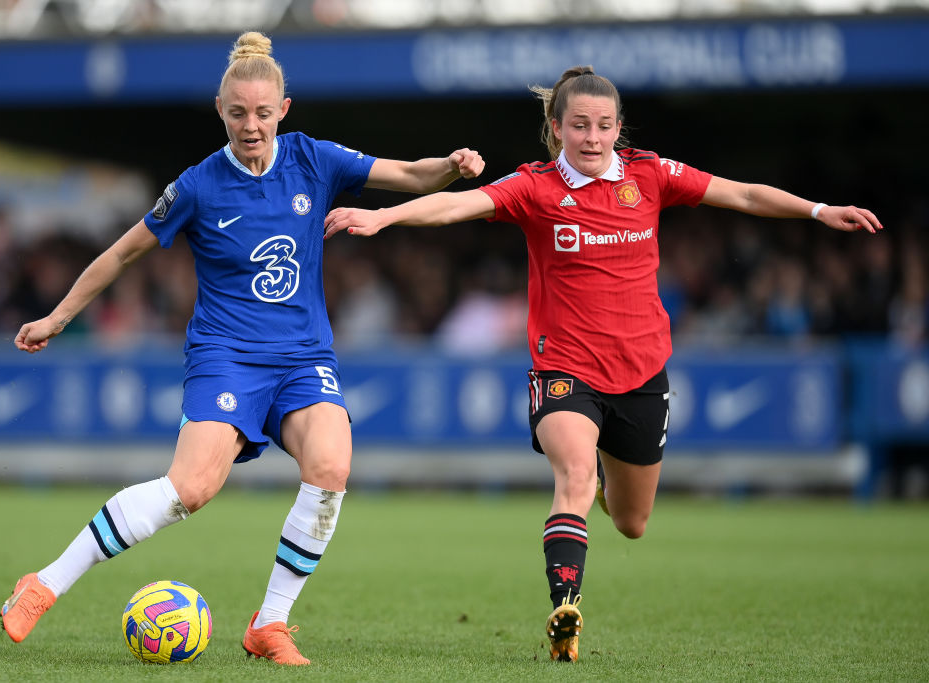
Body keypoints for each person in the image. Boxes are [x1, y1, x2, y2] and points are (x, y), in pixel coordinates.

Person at [323, 65, 881, 663]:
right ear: (557, 127)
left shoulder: (650, 173)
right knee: (575, 478)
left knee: (632, 521)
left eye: (605, 126)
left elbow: (741, 193)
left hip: (642, 373)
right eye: (580, 125)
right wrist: (383, 216)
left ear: (619, 128)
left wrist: (819, 210)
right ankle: (566, 606)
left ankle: (611, 493)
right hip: (564, 368)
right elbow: (457, 206)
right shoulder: (534, 187)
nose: (593, 137)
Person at [3, 30, 484, 666]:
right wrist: (59, 316)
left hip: (304, 359)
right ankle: (43, 583)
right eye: (238, 113)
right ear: (220, 110)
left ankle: (270, 624)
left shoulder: (314, 159)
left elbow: (406, 174)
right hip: (227, 356)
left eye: (262, 112)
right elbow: (124, 250)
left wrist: (451, 166)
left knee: (332, 466)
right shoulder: (198, 186)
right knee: (190, 490)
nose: (251, 125)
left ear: (283, 108)